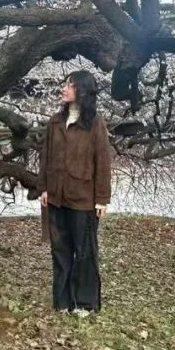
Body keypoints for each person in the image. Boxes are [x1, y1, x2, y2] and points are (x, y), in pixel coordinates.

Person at [36, 70, 112, 316]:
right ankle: (63, 301)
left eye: (70, 85)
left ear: (82, 90)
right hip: (57, 196)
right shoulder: (55, 122)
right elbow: (45, 157)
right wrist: (44, 187)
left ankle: (85, 302)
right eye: (65, 84)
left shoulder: (95, 123)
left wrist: (102, 198)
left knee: (85, 250)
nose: (64, 88)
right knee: (60, 249)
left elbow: (103, 161)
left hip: (83, 198)